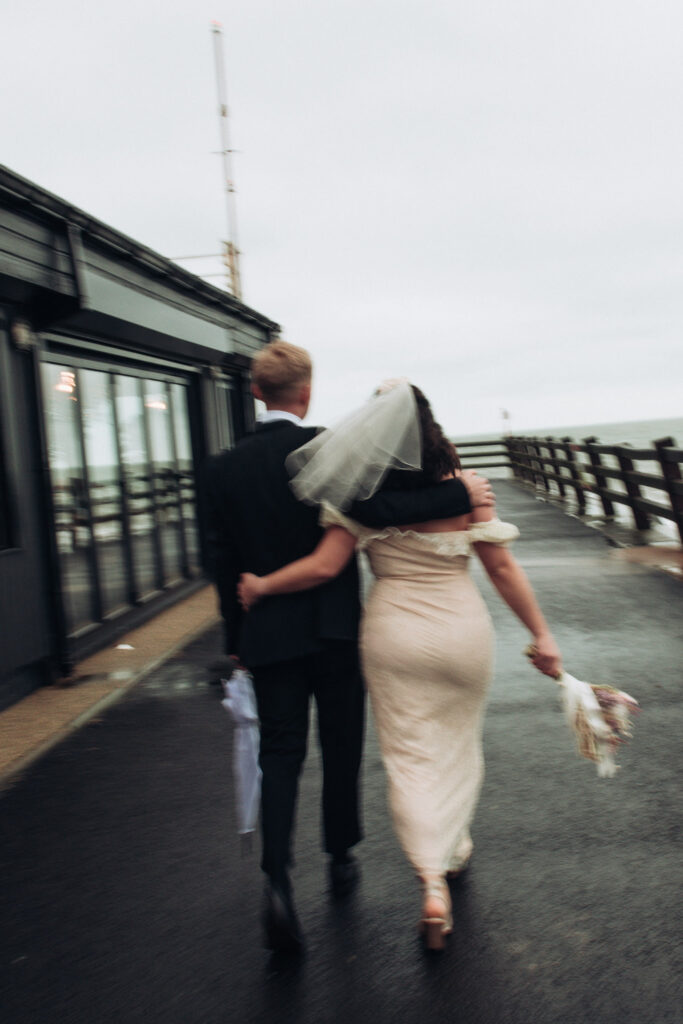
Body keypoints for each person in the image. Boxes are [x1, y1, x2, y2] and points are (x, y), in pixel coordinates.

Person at [237, 380, 562, 951]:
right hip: (460, 630)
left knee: (410, 757)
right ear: (431, 428)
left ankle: (432, 883)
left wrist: (261, 585)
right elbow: (502, 570)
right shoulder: (465, 488)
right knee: (457, 744)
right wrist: (541, 634)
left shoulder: (358, 492)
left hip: (392, 636)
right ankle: (453, 847)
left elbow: (321, 567)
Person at [203, 345, 495, 954]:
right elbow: (390, 508)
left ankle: (278, 882)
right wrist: (462, 493)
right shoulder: (336, 448)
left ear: (256, 392)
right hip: (337, 630)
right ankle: (340, 856)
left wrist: (237, 639)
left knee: (279, 756)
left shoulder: (222, 469)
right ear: (307, 391)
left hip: (269, 635)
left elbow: (221, 561)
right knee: (340, 748)